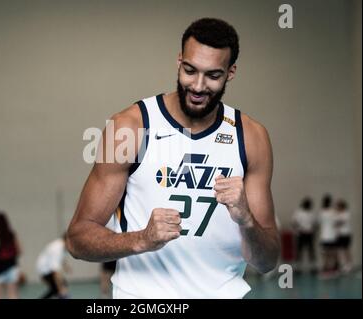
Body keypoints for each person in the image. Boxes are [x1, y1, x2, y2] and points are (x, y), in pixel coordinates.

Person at [67, 17, 280, 299]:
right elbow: (77, 239)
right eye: (190, 70)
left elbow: (267, 262)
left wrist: (247, 220)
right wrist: (141, 239)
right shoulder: (128, 128)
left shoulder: (251, 138)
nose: (198, 86)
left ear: (230, 73)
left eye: (213, 75)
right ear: (179, 61)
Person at [36, 233, 71, 299]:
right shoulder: (57, 249)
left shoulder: (61, 244)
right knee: (59, 288)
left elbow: (62, 258)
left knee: (56, 289)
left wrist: (66, 266)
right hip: (45, 270)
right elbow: (55, 273)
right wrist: (61, 289)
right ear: (67, 240)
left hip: (46, 268)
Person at [292, 197, 317, 273]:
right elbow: (294, 223)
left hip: (309, 234)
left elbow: (315, 224)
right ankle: (297, 268)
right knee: (299, 251)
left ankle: (313, 267)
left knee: (311, 251)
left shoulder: (312, 213)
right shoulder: (298, 213)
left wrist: (312, 230)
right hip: (301, 234)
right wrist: (298, 229)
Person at [318, 194, 338, 278]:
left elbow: (319, 222)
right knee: (332, 253)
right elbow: (336, 222)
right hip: (332, 236)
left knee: (325, 254)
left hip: (324, 236)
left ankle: (326, 269)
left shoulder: (321, 212)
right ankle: (332, 269)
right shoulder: (333, 212)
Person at [335, 199, 352, 273]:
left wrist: (337, 222)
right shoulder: (337, 214)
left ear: (342, 206)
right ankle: (343, 265)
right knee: (339, 250)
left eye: (338, 206)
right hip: (339, 235)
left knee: (346, 250)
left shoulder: (346, 213)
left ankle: (349, 265)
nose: (337, 207)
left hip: (346, 234)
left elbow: (340, 222)